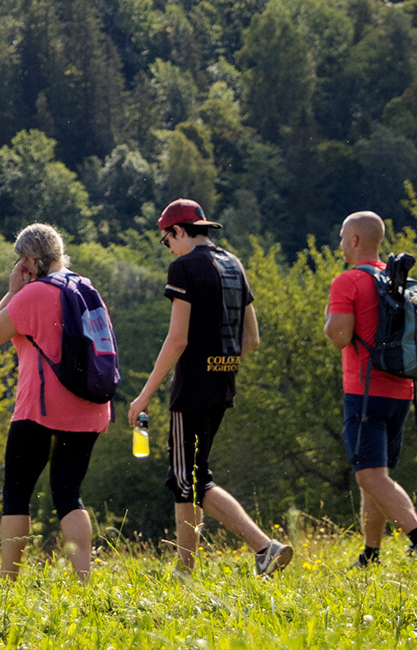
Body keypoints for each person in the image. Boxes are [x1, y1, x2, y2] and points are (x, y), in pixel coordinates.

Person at [123, 200, 294, 579]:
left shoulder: (184, 268)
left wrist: (145, 394)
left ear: (179, 232)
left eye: (166, 240)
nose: (167, 247)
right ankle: (184, 572)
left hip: (193, 388)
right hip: (223, 382)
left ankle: (265, 548)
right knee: (187, 477)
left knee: (191, 478)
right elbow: (251, 338)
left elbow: (177, 338)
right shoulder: (234, 264)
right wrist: (220, 362)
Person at [0, 223, 111, 582]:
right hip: (90, 407)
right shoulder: (86, 288)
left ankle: (8, 584)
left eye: (22, 258)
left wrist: (11, 292)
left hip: (42, 408)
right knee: (68, 493)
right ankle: (84, 582)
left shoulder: (34, 295)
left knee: (16, 493)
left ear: (31, 261)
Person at [327, 210, 417, 567]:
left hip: (364, 392)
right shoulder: (397, 281)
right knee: (376, 475)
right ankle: (371, 553)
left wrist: (330, 322)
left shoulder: (347, 282)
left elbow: (339, 336)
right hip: (401, 392)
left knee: (369, 476)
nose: (341, 244)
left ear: (355, 240)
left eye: (343, 237)